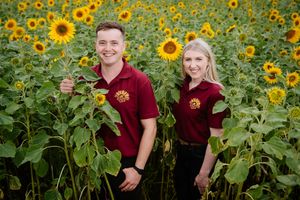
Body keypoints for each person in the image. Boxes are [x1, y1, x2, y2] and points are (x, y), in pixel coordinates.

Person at [60, 21, 159, 200]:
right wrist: (68, 91)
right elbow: (79, 113)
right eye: (102, 42)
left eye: (114, 43)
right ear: (95, 45)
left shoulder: (139, 80)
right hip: (92, 160)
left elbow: (150, 128)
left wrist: (138, 170)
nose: (108, 48)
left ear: (123, 46)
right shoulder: (86, 78)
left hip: (127, 166)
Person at [172, 38, 227, 200]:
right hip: (181, 152)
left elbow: (216, 136)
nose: (192, 65)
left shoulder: (215, 92)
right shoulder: (179, 87)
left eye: (198, 59)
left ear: (208, 61)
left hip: (202, 155)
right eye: (187, 59)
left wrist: (204, 173)